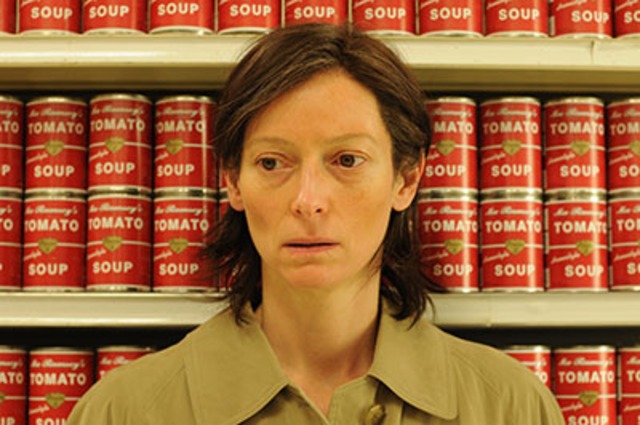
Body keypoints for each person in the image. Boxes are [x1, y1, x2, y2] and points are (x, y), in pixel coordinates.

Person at [67, 24, 565, 425]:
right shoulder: (120, 412)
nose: (308, 201)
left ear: (406, 179)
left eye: (346, 160)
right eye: (271, 163)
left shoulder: (511, 407)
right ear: (232, 182)